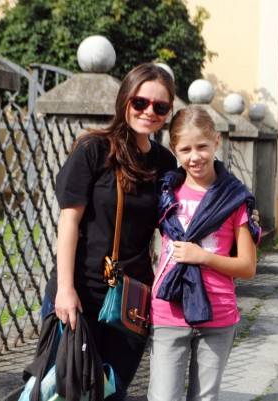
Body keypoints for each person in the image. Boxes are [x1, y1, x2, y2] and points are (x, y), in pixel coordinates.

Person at [41, 63, 177, 401]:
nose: (149, 112)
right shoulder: (94, 149)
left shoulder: (165, 163)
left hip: (131, 299)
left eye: (160, 106)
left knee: (112, 391)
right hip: (82, 291)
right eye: (140, 102)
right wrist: (65, 289)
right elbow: (69, 221)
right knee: (63, 391)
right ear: (124, 100)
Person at [147, 106, 260, 401]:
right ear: (174, 150)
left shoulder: (235, 198)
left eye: (202, 147)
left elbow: (247, 267)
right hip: (168, 310)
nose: (194, 157)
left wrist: (203, 257)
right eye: (185, 150)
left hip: (218, 313)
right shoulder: (165, 194)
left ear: (216, 141)